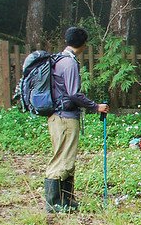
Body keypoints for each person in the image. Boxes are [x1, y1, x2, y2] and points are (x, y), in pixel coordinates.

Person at [45, 27, 109, 213]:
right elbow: (73, 93)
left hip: (58, 115)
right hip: (65, 117)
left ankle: (67, 199)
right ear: (82, 44)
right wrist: (95, 106)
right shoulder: (69, 63)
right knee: (63, 157)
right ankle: (55, 203)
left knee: (65, 156)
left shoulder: (58, 59)